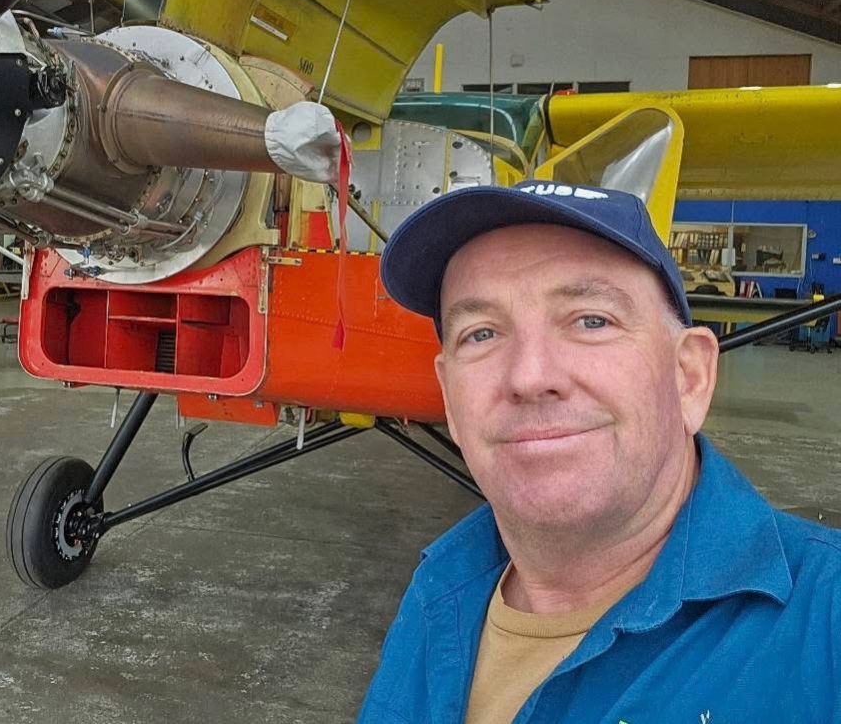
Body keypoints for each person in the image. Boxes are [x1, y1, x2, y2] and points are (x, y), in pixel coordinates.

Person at [359, 182, 841, 724]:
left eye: (592, 320)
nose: (530, 376)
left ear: (690, 377)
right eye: (482, 333)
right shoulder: (439, 587)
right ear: (448, 397)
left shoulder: (827, 624)